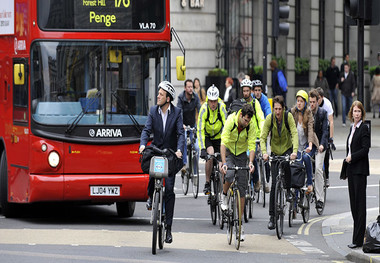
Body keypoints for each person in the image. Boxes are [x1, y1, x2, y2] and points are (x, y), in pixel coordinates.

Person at [139, 80, 185, 244]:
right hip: (157, 151)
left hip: (171, 153)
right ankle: (151, 197)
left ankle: (169, 228)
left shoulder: (177, 112)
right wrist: (143, 145)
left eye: (160, 94)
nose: (157, 96)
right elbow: (146, 130)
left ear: (168, 98)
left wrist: (179, 150)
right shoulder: (153, 111)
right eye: (158, 93)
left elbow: (180, 134)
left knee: (170, 190)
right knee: (152, 175)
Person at [260, 95, 298, 230]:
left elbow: (294, 133)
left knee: (287, 164)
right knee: (275, 184)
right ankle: (272, 217)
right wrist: (264, 152)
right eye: (275, 109)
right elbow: (263, 136)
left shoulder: (288, 117)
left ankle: (288, 190)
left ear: (283, 108)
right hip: (275, 152)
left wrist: (294, 151)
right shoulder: (269, 119)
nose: (277, 111)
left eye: (279, 109)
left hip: (287, 150)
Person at [220, 104, 256, 241]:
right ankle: (224, 196)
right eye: (245, 120)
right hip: (229, 152)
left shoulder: (251, 125)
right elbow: (223, 142)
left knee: (242, 188)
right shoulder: (231, 120)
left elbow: (252, 145)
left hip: (241, 155)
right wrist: (223, 164)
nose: (247, 123)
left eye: (249, 121)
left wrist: (251, 162)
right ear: (241, 116)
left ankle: (239, 225)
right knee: (228, 174)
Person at [344, 101, 370, 249]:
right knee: (354, 205)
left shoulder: (364, 129)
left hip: (360, 171)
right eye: (355, 111)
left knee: (360, 206)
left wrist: (352, 157)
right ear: (351, 113)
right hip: (352, 170)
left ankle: (358, 240)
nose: (357, 114)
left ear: (362, 113)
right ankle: (356, 237)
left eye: (359, 111)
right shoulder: (352, 128)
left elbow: (366, 149)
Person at [198, 85, 227, 195]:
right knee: (210, 155)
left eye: (215, 101)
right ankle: (207, 183)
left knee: (222, 160)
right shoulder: (204, 109)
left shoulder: (222, 107)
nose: (213, 104)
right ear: (208, 100)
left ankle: (223, 185)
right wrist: (202, 149)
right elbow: (200, 130)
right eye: (211, 101)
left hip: (220, 137)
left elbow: (227, 126)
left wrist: (226, 143)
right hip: (208, 137)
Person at [290, 90, 319, 193]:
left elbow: (311, 130)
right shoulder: (293, 112)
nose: (299, 103)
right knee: (297, 167)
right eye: (298, 101)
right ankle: (295, 204)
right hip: (297, 145)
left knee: (306, 157)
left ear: (305, 103)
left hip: (309, 143)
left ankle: (310, 182)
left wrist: (310, 146)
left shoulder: (308, 113)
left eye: (301, 101)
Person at [240, 78, 265, 191]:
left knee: (252, 156)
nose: (245, 93)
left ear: (251, 91)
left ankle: (256, 180)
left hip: (255, 136)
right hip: (242, 136)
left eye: (247, 90)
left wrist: (262, 135)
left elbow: (261, 119)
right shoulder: (240, 103)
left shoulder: (255, 103)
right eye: (244, 91)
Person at [309, 89, 328, 208]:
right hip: (311, 144)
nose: (311, 104)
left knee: (318, 169)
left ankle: (320, 199)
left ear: (317, 102)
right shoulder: (306, 113)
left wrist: (321, 144)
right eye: (310, 102)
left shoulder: (323, 113)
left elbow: (325, 131)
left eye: (314, 102)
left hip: (321, 145)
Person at [177, 79, 201, 173]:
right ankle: (184, 165)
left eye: (192, 87)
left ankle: (195, 169)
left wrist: (200, 123)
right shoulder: (180, 97)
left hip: (192, 125)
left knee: (196, 147)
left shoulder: (195, 97)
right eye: (189, 87)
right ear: (185, 88)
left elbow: (200, 110)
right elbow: (179, 112)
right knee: (183, 142)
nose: (191, 89)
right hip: (183, 125)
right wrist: (181, 124)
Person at [316, 87, 335, 187]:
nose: (316, 100)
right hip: (316, 128)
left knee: (326, 154)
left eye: (318, 98)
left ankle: (326, 177)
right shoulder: (313, 104)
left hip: (325, 128)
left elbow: (331, 122)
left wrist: (331, 139)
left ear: (322, 97)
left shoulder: (327, 104)